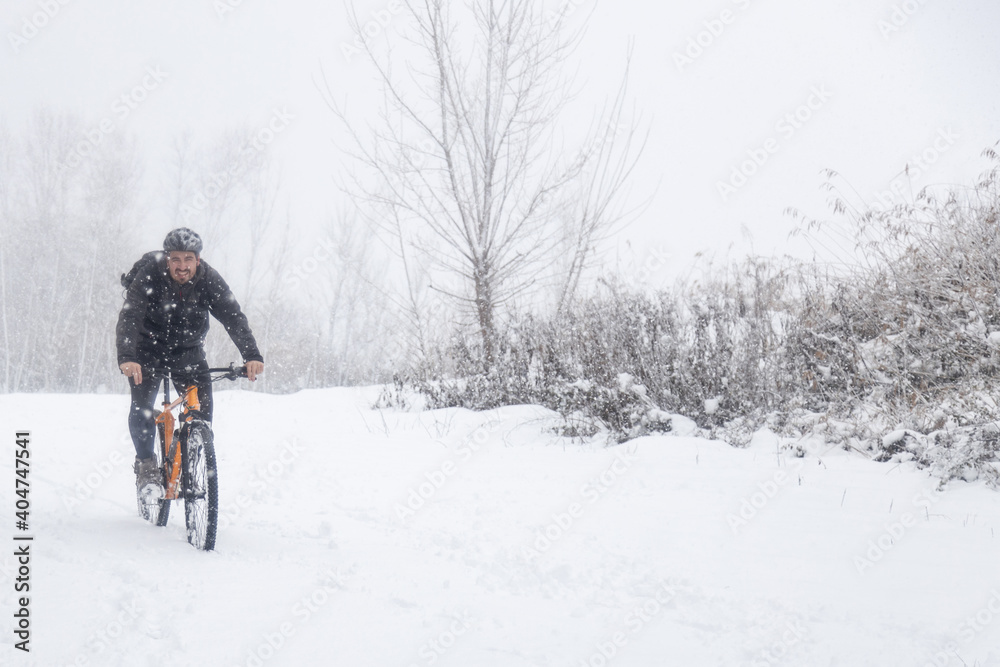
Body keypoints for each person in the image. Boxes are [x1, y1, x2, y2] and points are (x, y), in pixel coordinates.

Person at [117, 227, 264, 500]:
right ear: (167, 258)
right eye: (176, 259)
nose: (182, 267)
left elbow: (233, 316)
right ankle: (147, 468)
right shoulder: (150, 273)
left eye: (188, 259)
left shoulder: (209, 279)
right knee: (143, 409)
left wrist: (251, 355)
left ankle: (194, 461)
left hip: (188, 350)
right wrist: (128, 358)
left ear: (198, 259)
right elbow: (130, 316)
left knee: (203, 412)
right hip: (147, 350)